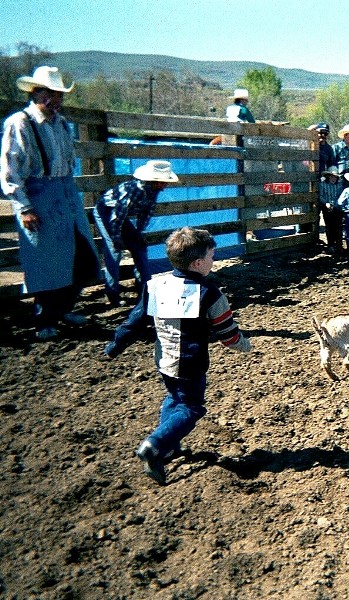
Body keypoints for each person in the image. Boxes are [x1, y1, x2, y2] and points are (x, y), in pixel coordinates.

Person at [134, 227, 251, 485]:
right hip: (190, 362)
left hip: (163, 358)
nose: (214, 260)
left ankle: (170, 446)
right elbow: (226, 331)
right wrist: (243, 344)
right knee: (191, 407)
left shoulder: (156, 283)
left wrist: (117, 343)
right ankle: (154, 445)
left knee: (174, 398)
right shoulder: (209, 292)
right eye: (212, 255)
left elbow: (136, 317)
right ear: (199, 263)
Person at [0, 66, 100, 341]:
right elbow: (11, 170)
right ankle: (45, 319)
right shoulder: (19, 123)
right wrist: (24, 207)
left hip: (66, 195)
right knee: (45, 263)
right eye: (51, 95)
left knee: (82, 256)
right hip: (39, 196)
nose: (56, 101)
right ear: (37, 93)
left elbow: (68, 161)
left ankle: (64, 309)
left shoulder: (61, 124)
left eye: (59, 96)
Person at [93, 160, 180, 306]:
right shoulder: (135, 190)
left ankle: (145, 288)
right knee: (114, 251)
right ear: (154, 181)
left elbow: (146, 213)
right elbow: (117, 215)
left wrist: (138, 233)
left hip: (120, 215)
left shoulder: (153, 191)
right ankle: (112, 293)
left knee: (140, 247)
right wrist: (116, 238)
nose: (165, 185)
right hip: (106, 210)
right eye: (163, 182)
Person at [319, 167, 344, 255]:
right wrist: (326, 203)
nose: (333, 179)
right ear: (328, 177)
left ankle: (339, 245)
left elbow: (341, 196)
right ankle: (331, 245)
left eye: (335, 177)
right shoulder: (322, 185)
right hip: (327, 208)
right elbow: (321, 196)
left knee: (338, 227)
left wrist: (336, 204)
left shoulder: (339, 185)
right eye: (332, 177)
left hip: (337, 208)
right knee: (329, 227)